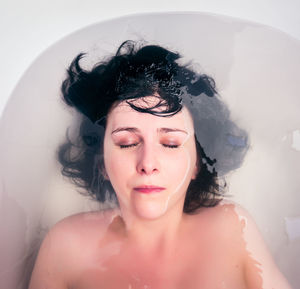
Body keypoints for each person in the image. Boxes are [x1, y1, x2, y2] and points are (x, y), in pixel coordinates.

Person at [28, 40, 292, 289]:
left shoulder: (232, 228)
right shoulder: (67, 245)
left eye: (171, 143)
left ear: (198, 164)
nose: (148, 164)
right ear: (101, 164)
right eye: (128, 142)